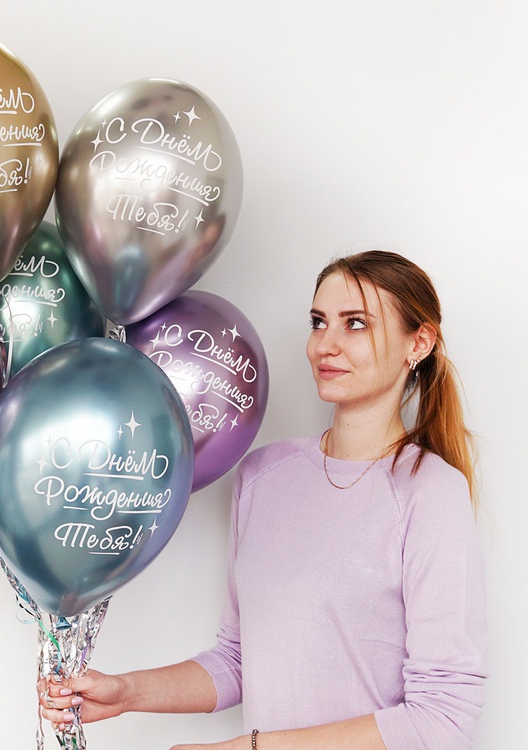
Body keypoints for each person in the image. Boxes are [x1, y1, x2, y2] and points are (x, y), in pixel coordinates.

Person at [39, 250, 488, 750]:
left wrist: (250, 748)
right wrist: (126, 693)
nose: (325, 345)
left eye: (356, 323)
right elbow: (238, 660)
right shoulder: (263, 475)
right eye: (319, 322)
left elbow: (441, 718)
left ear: (418, 343)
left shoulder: (430, 492)